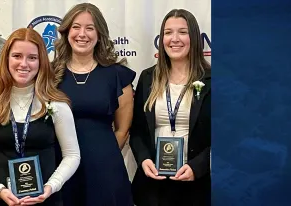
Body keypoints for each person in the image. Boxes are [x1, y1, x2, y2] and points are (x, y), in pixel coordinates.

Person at [51, 3, 135, 206]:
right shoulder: (49, 73)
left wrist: (102, 158)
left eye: (90, 28)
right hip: (59, 168)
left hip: (105, 169)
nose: (82, 34)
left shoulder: (117, 74)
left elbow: (123, 130)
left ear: (99, 34)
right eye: (76, 27)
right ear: (66, 31)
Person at [0, 27, 81, 206]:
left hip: (45, 201)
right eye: (17, 56)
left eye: (32, 58)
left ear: (41, 62)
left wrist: (51, 187)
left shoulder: (57, 105)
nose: (24, 64)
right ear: (6, 58)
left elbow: (72, 155)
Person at [129, 9, 211, 206]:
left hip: (196, 184)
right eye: (168, 32)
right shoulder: (148, 78)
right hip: (153, 184)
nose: (174, 39)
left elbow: (225, 136)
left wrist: (198, 167)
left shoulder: (212, 80)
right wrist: (144, 160)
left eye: (182, 32)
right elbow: (138, 131)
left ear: (194, 37)